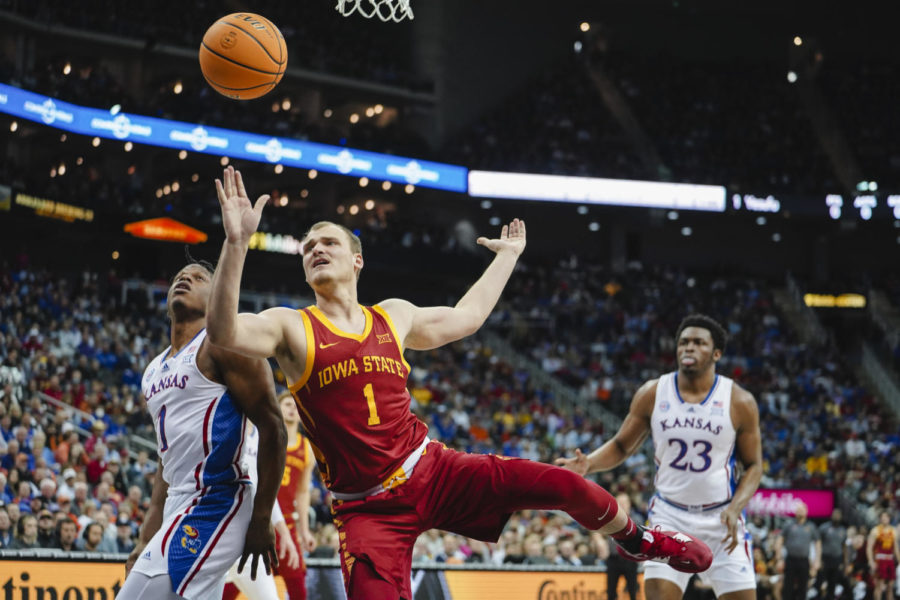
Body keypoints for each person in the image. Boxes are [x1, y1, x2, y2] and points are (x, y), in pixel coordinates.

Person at [206, 166, 712, 600]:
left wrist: (507, 256)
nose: (316, 249)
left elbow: (468, 317)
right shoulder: (291, 325)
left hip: (432, 469)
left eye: (329, 242)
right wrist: (235, 243)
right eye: (308, 247)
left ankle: (638, 540)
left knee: (564, 483)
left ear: (356, 259)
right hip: (367, 510)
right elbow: (224, 330)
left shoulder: (394, 316)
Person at [557, 314, 763, 600]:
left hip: (721, 517)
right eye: (684, 342)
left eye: (699, 343)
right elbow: (621, 445)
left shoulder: (739, 401)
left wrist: (736, 507)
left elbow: (754, 466)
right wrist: (589, 462)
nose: (688, 348)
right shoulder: (653, 392)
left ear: (716, 353)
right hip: (670, 517)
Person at [117, 259, 287, 600]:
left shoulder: (225, 345)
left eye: (198, 278)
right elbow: (167, 462)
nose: (185, 279)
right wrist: (145, 537)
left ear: (215, 297)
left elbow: (274, 429)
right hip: (178, 502)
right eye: (180, 276)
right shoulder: (152, 371)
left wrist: (261, 517)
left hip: (217, 497)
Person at [222, 421, 302, 600]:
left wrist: (286, 536)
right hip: (218, 534)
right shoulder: (225, 424)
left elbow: (265, 494)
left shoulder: (262, 435)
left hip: (247, 541)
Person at [775, 502, 820, 600]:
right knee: (788, 587)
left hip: (804, 561)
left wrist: (817, 560)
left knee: (803, 587)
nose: (800, 512)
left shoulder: (811, 526)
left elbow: (818, 543)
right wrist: (779, 559)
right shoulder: (789, 524)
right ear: (795, 512)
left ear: (806, 512)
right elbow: (779, 540)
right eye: (798, 510)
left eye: (802, 510)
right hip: (790, 560)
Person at [603, 494, 640, 600]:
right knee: (611, 591)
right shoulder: (609, 518)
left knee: (633, 591)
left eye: (625, 502)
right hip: (613, 559)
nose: (623, 505)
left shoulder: (636, 519)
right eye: (620, 502)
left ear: (629, 504)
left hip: (630, 559)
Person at [868, 511, 900, 600]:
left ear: (889, 518)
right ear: (880, 518)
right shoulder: (875, 530)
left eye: (886, 517)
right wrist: (871, 561)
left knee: (890, 586)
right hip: (880, 560)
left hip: (890, 560)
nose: (884, 518)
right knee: (879, 586)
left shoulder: (893, 531)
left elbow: (896, 548)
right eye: (882, 517)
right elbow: (869, 547)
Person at [818, 508, 848, 600]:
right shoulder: (824, 528)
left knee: (833, 583)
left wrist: (845, 561)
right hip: (825, 558)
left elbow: (844, 546)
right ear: (831, 516)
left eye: (838, 515)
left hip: (837, 559)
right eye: (835, 514)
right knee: (820, 582)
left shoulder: (843, 530)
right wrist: (818, 559)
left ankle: (830, 598)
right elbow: (818, 544)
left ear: (841, 517)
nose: (836, 516)